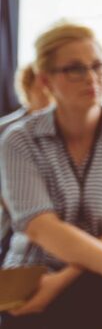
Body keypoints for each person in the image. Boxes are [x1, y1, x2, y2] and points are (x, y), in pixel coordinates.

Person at [0, 22, 102, 329]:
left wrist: (62, 281)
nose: (91, 77)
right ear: (45, 79)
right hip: (33, 273)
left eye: (97, 65)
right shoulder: (18, 139)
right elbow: (40, 227)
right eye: (75, 69)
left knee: (89, 301)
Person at [1, 63, 53, 264]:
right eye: (41, 89)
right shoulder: (7, 130)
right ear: (28, 90)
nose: (47, 95)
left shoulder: (64, 131)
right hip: (14, 223)